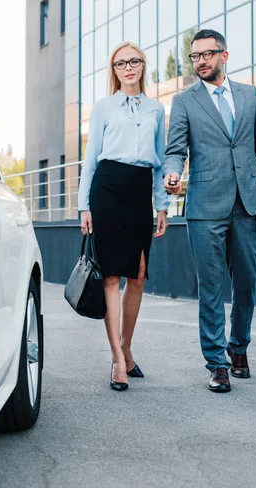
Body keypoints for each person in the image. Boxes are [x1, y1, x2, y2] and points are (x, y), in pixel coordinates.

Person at [163, 29, 256, 393]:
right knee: (212, 288)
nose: (200, 61)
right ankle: (216, 363)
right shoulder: (184, 101)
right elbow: (175, 149)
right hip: (204, 207)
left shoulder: (249, 95)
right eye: (195, 56)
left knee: (247, 282)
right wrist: (171, 173)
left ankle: (238, 346)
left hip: (247, 204)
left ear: (224, 56)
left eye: (207, 55)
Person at [78, 41, 170, 392]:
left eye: (134, 61)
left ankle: (127, 345)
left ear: (143, 66)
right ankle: (117, 358)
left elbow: (160, 161)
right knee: (111, 276)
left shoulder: (156, 110)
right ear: (113, 71)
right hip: (108, 188)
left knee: (140, 274)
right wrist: (84, 206)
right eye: (120, 63)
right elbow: (90, 159)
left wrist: (162, 205)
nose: (128, 67)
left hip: (139, 189)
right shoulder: (103, 107)